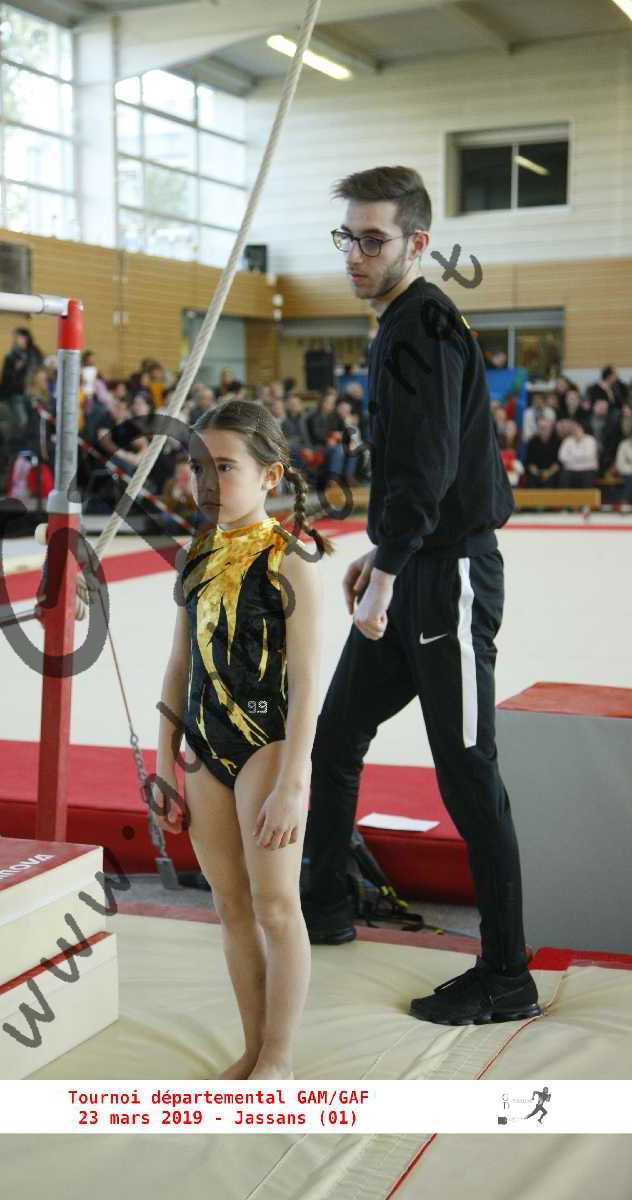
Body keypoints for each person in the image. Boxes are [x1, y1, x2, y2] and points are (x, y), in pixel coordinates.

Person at [302, 164, 542, 1026]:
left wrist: (390, 573)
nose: (355, 255)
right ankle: (324, 905)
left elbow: (433, 465)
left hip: (449, 581)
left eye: (374, 240)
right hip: (414, 567)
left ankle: (508, 974)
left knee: (468, 773)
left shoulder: (425, 323)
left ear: (417, 243)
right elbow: (416, 464)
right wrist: (385, 552)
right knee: (337, 734)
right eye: (348, 237)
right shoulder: (398, 323)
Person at [153, 398, 334, 1081]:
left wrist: (294, 781)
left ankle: (279, 1053)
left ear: (270, 475)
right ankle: (253, 1046)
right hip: (204, 744)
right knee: (230, 907)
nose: (207, 481)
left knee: (276, 906)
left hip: (266, 744)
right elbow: (178, 666)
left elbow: (309, 680)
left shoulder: (291, 560)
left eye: (224, 467)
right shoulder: (195, 555)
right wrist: (162, 762)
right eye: (199, 466)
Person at [558, 421, 599, 487]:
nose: (576, 431)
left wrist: (572, 457)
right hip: (570, 470)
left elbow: (589, 456)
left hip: (587, 469)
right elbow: (562, 457)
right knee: (564, 477)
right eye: (574, 429)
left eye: (578, 429)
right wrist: (580, 457)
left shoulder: (590, 440)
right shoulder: (567, 441)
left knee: (588, 478)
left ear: (583, 429)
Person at [523, 416, 560, 487]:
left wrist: (548, 473)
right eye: (541, 428)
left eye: (545, 427)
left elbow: (558, 462)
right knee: (531, 479)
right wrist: (538, 473)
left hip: (551, 472)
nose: (543, 430)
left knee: (555, 479)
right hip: (536, 472)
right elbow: (529, 462)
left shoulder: (557, 441)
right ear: (538, 428)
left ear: (550, 428)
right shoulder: (532, 442)